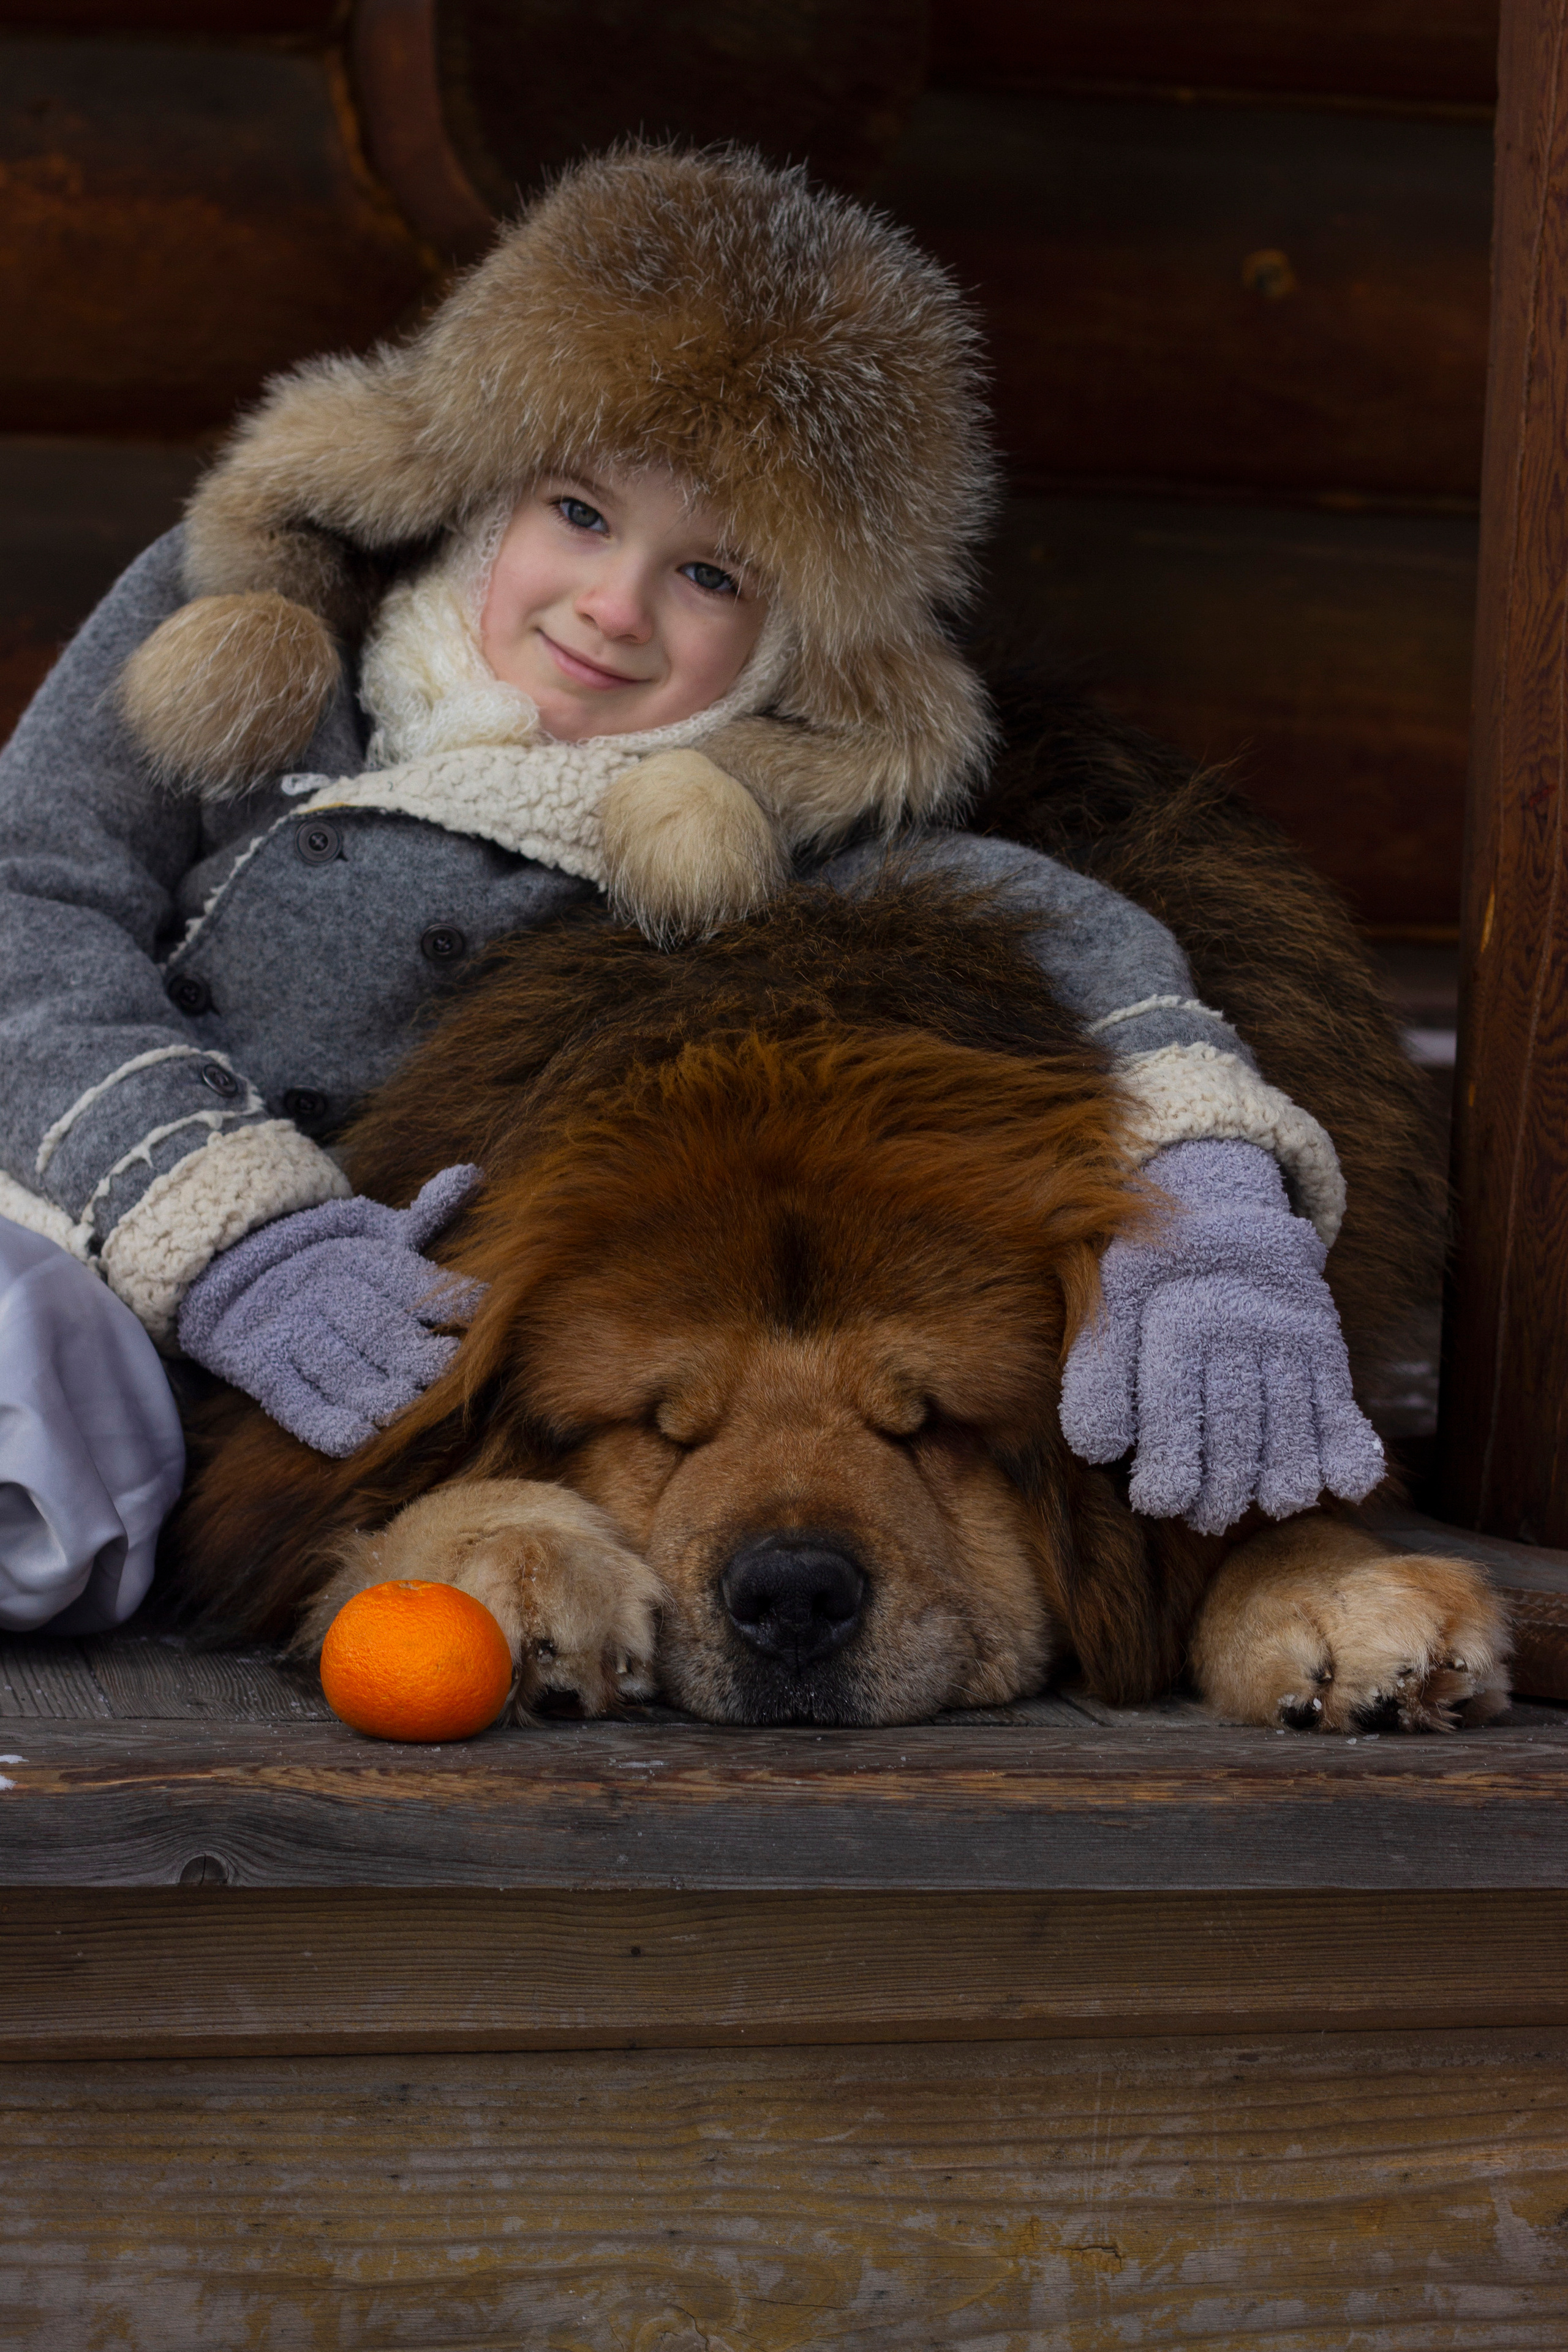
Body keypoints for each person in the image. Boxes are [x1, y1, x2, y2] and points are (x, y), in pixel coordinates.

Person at [0, 145, 1380, 1634]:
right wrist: (223, 1222)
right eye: (581, 514)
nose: (614, 607)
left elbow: (1091, 955)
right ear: (476, 480)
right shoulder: (258, 623)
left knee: (67, 1472)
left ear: (799, 645)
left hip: (363, 1343)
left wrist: (1216, 1208)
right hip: (83, 1184)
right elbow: (29, 892)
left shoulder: (760, 825)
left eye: (711, 577)